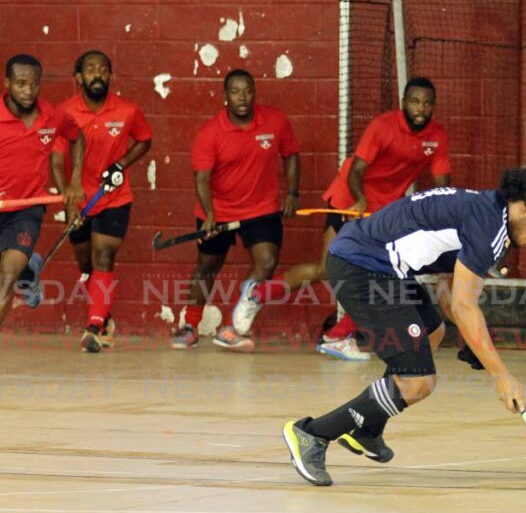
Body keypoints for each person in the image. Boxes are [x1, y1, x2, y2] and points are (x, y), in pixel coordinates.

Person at [281, 167, 526, 486]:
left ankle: (366, 429)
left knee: (431, 333)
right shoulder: (489, 225)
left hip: (386, 270)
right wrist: (501, 375)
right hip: (362, 268)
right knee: (418, 382)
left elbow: (449, 297)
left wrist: (471, 341)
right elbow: (464, 306)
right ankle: (311, 434)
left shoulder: (486, 211)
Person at [254, 77, 451, 361]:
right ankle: (259, 293)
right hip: (349, 199)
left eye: (428, 102)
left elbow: (441, 185)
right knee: (324, 269)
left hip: (385, 213)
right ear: (403, 103)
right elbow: (356, 170)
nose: (421, 107)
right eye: (415, 101)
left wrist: (438, 215)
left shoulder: (437, 136)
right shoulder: (382, 127)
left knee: (384, 276)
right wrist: (360, 200)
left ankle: (336, 336)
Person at [170, 69, 300, 352]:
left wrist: (292, 193)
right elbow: (201, 179)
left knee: (266, 263)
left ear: (255, 92)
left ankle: (235, 327)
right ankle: (190, 325)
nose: (243, 97)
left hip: (261, 209)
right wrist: (209, 216)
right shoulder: (210, 133)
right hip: (218, 210)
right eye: (235, 91)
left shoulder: (275, 121)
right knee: (207, 267)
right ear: (225, 96)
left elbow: (291, 155)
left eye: (248, 90)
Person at [52, 50, 153, 352]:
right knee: (86, 264)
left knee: (103, 255)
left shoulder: (127, 110)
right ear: (79, 78)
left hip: (114, 198)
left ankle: (94, 326)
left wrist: (121, 164)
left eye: (104, 70)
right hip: (79, 200)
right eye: (91, 70)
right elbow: (57, 160)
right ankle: (104, 316)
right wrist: (68, 201)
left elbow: (145, 140)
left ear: (110, 76)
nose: (98, 74)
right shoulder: (63, 113)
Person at [0, 54, 85, 327]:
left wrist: (75, 182)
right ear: (7, 83)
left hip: (26, 211)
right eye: (21, 84)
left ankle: (22, 271)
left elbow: (77, 137)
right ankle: (30, 269)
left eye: (34, 84)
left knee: (6, 279)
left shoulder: (52, 115)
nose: (28, 91)